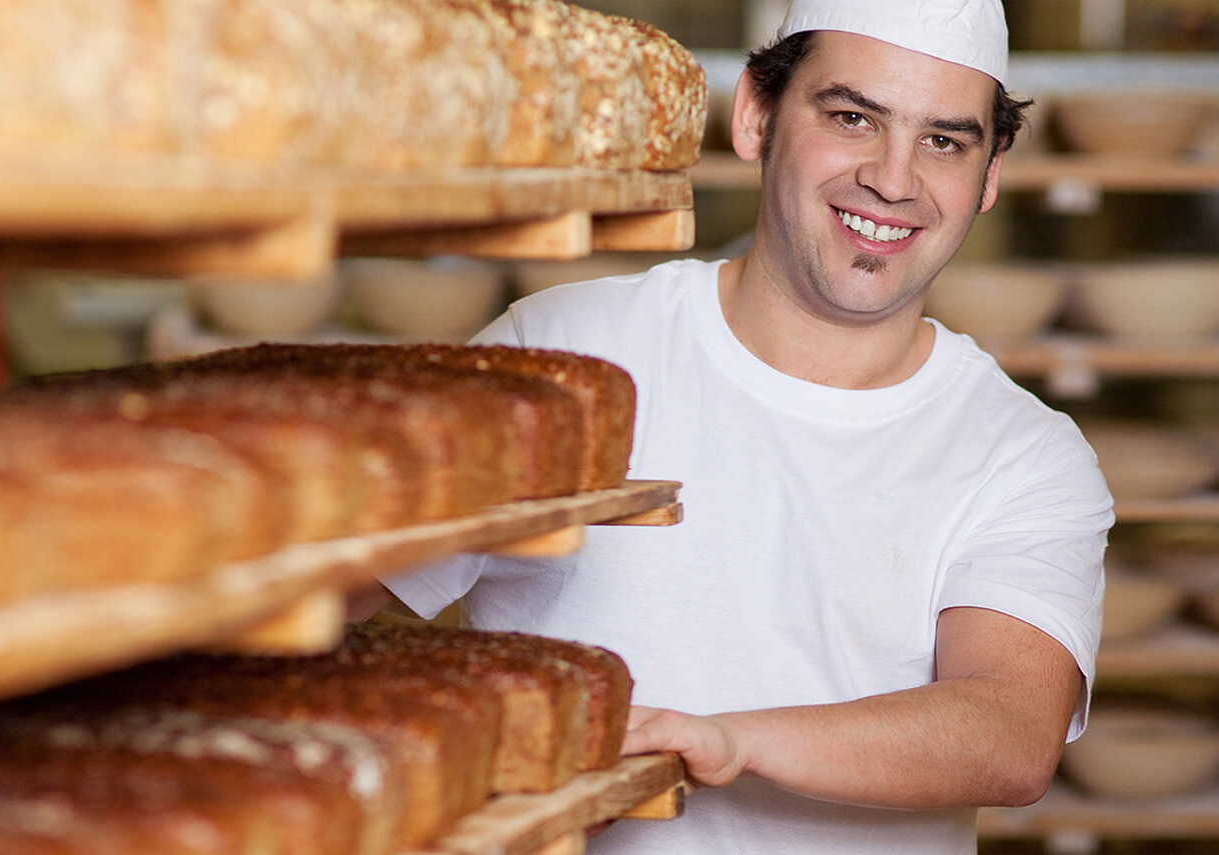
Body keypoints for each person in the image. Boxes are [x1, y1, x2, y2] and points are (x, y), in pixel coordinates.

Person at [366, 1, 1114, 852]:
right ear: (755, 114)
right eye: (852, 118)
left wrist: (729, 740)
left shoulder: (1023, 452)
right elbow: (332, 591)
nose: (894, 179)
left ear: (989, 176)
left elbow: (1010, 731)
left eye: (944, 141)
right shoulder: (565, 357)